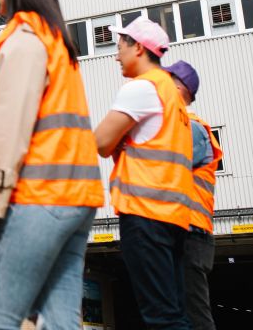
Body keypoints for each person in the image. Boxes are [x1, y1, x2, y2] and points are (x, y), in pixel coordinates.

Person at [0, 0, 104, 330]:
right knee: (60, 323)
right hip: (77, 202)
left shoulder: (25, 41)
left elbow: (9, 129)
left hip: (38, 198)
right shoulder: (59, 44)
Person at [93, 17, 194, 330]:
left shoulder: (142, 88)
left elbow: (100, 142)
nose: (115, 55)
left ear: (138, 48)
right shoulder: (171, 95)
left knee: (161, 318)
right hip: (173, 216)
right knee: (173, 313)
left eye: (119, 46)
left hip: (145, 214)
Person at [165, 60, 223, 330]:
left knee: (194, 313)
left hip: (191, 232)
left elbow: (168, 167)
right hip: (181, 231)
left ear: (178, 88)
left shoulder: (192, 128)